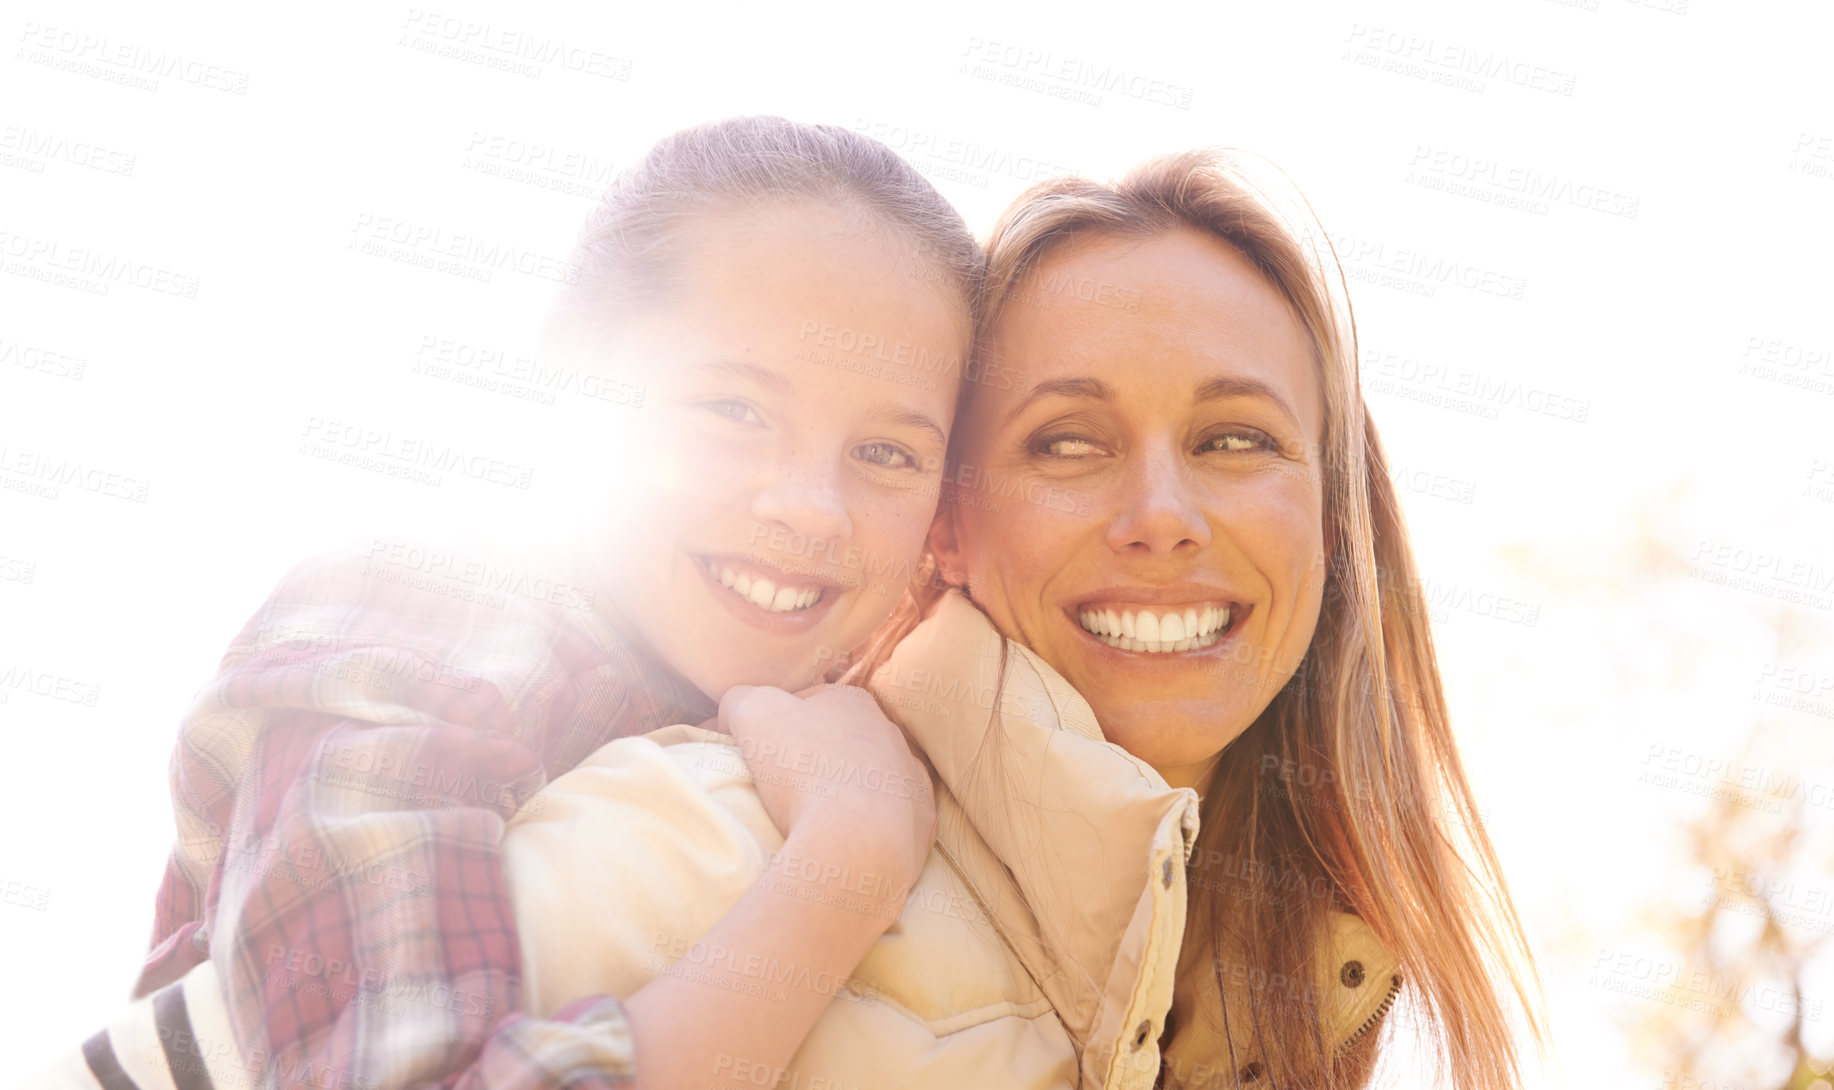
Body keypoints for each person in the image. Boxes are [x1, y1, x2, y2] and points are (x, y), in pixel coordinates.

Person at [32, 115, 980, 1090]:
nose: (809, 507)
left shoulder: (852, 726)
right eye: (733, 409)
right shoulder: (415, 631)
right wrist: (846, 866)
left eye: (886, 454)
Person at [840, 149, 1546, 1088]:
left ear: (1333, 525)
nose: (1162, 516)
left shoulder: (1316, 1007)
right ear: (951, 525)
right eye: (1069, 443)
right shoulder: (725, 852)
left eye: (1235, 439)